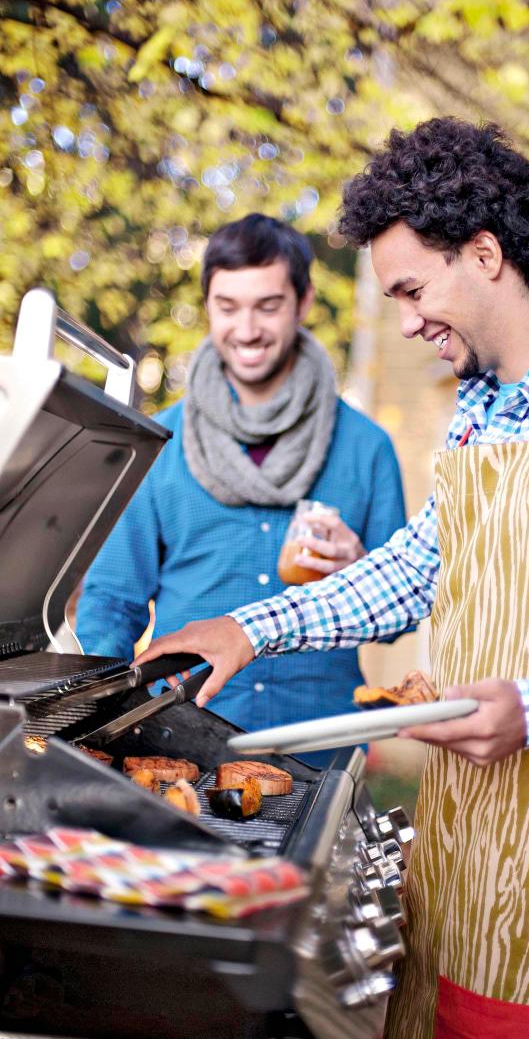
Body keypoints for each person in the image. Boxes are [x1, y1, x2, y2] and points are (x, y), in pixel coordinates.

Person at [136, 120, 529, 1039]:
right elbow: (416, 569)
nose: (409, 320)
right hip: (461, 822)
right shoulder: (483, 410)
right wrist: (248, 629)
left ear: (487, 255)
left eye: (414, 290)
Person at [76, 213, 406, 753]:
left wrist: (364, 570)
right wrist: (100, 713)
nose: (246, 329)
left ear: (303, 303)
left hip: (321, 746)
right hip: (182, 742)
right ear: (208, 306)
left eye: (267, 306)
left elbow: (398, 616)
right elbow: (112, 601)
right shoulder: (159, 444)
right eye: (227, 307)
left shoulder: (368, 450)